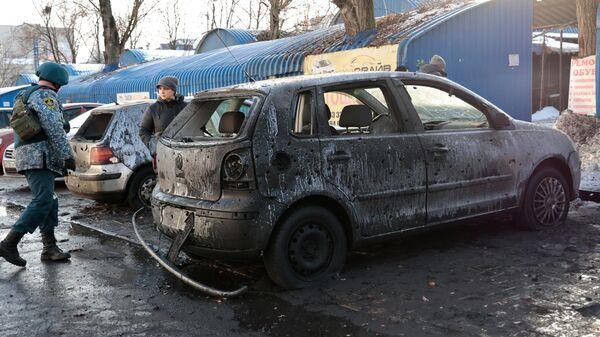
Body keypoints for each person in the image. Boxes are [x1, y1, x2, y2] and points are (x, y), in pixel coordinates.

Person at [0, 62, 75, 267]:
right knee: (43, 200)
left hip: (30, 156)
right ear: (58, 83)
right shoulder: (45, 95)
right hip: (39, 156)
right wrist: (67, 155)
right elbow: (54, 128)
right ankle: (9, 243)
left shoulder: (25, 94)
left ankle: (49, 248)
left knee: (50, 199)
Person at [139, 76, 188, 153]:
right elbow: (144, 131)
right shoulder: (153, 108)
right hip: (162, 153)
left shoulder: (185, 106)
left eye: (165, 88)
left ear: (173, 90)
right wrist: (153, 146)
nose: (162, 92)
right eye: (160, 89)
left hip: (184, 150)